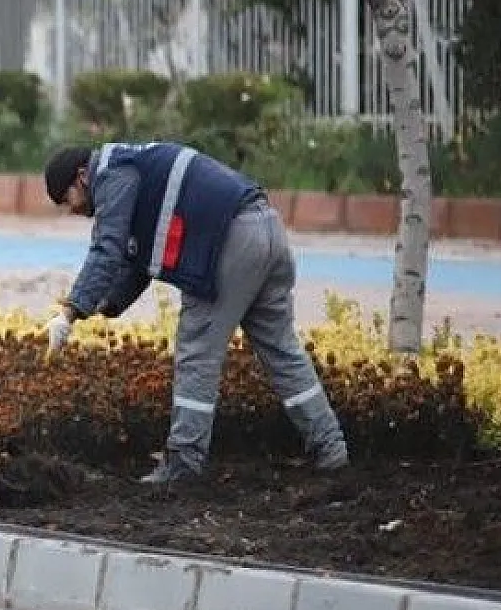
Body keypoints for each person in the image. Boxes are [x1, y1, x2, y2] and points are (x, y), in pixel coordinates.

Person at [41, 141, 350, 484]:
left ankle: (183, 466)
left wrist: (70, 310)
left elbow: (108, 248)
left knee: (197, 354)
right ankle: (331, 449)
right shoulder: (136, 166)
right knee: (282, 351)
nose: (72, 210)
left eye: (67, 199)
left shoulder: (112, 173)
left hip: (229, 244)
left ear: (83, 176)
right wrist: (104, 304)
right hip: (268, 230)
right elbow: (137, 260)